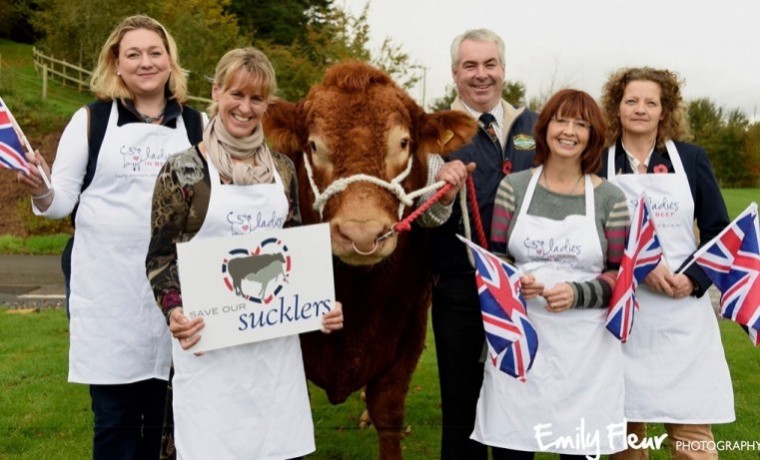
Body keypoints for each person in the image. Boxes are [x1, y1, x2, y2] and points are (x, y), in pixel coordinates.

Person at [16, 15, 203, 460]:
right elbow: (60, 201)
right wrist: (41, 188)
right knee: (115, 420)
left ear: (170, 60)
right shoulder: (91, 121)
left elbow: (220, 202)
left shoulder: (198, 126)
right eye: (132, 54)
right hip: (108, 295)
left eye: (154, 52)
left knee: (170, 418)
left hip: (178, 294)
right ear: (116, 65)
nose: (145, 62)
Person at [472, 88, 630, 459]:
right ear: (545, 128)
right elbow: (497, 259)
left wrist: (577, 293)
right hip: (520, 343)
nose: (569, 131)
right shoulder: (514, 188)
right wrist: (514, 282)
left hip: (585, 355)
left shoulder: (611, 199)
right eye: (561, 120)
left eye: (581, 124)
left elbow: (619, 276)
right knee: (513, 447)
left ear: (592, 136)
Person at [600, 67, 735, 460]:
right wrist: (641, 266)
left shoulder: (691, 159)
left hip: (683, 318)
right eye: (631, 101)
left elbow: (718, 231)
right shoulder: (600, 162)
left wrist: (693, 280)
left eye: (650, 102)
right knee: (623, 438)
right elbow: (591, 233)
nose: (640, 109)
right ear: (617, 108)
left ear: (665, 111)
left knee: (693, 437)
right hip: (624, 315)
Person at [427, 28, 538, 459]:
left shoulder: (533, 125)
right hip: (460, 286)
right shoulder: (434, 131)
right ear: (455, 73)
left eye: (489, 64)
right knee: (462, 407)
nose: (481, 75)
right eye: (470, 66)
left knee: (517, 400)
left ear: (503, 70)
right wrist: (443, 190)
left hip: (523, 287)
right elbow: (426, 219)